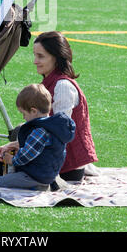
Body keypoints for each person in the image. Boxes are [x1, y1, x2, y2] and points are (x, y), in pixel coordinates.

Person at [33, 31, 98, 181]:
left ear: (56, 58)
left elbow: (59, 132)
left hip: (67, 165)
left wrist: (23, 148)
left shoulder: (62, 86)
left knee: (0, 167)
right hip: (54, 156)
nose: (35, 61)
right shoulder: (50, 82)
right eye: (35, 55)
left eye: (41, 56)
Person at [0, 83, 75, 191]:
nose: (24, 117)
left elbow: (26, 155)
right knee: (2, 173)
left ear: (34, 111)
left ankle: (39, 186)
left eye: (24, 113)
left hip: (35, 176)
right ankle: (45, 183)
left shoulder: (40, 130)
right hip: (44, 172)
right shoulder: (51, 126)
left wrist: (12, 160)